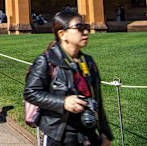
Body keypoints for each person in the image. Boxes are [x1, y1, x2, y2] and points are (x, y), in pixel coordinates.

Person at [24, 10, 113, 146]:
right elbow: (30, 93)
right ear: (62, 34)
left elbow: (98, 101)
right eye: (79, 28)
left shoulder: (88, 62)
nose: (85, 32)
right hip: (60, 135)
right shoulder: (47, 60)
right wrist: (63, 102)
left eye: (86, 27)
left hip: (88, 133)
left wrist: (105, 133)